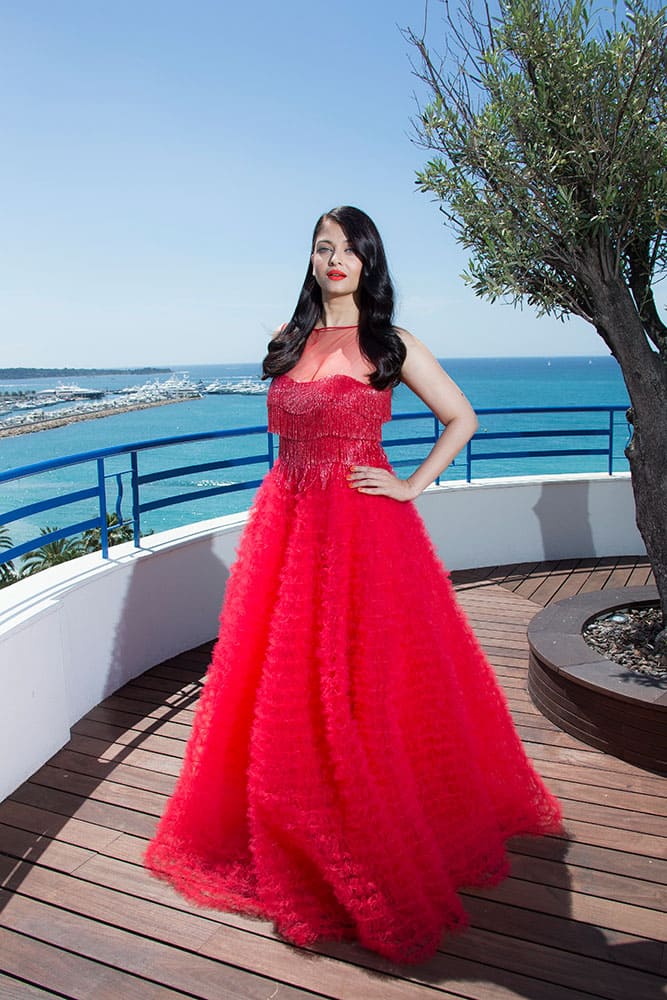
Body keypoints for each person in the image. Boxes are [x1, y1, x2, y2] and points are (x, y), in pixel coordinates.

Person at [144, 206, 563, 965]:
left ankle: (373, 817)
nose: (334, 259)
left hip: (364, 529)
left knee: (366, 681)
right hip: (288, 523)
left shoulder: (390, 344)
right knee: (280, 680)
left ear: (369, 261)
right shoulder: (286, 339)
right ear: (310, 259)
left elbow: (460, 417)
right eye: (322, 246)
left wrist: (410, 486)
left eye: (349, 248)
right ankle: (288, 815)